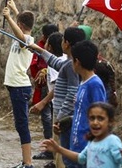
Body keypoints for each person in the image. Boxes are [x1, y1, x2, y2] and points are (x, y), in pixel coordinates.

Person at [28, 27, 85, 168]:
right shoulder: (69, 62)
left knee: (61, 156)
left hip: (64, 119)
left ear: (66, 43)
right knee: (59, 153)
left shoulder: (72, 66)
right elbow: (55, 62)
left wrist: (60, 117)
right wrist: (38, 49)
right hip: (62, 117)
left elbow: (72, 92)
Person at [41, 102, 122, 168]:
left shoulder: (112, 141)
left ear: (110, 122)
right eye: (92, 118)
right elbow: (81, 158)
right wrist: (58, 149)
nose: (95, 122)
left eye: (100, 119)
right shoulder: (92, 142)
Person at [2, 0, 36, 168]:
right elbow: (21, 26)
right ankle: (25, 162)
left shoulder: (28, 40)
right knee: (20, 124)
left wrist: (8, 18)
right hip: (16, 87)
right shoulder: (25, 33)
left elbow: (21, 37)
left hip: (20, 87)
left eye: (17, 21)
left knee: (22, 125)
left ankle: (28, 163)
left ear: (21, 25)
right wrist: (15, 10)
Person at [68, 39, 107, 157]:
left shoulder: (94, 84)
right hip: (77, 144)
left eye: (72, 60)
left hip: (87, 148)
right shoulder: (83, 83)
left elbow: (101, 116)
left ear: (77, 62)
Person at [31, 23, 59, 162]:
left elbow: (57, 86)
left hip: (50, 93)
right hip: (45, 88)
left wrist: (43, 101)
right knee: (50, 119)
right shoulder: (45, 48)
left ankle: (51, 150)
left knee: (50, 119)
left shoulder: (58, 61)